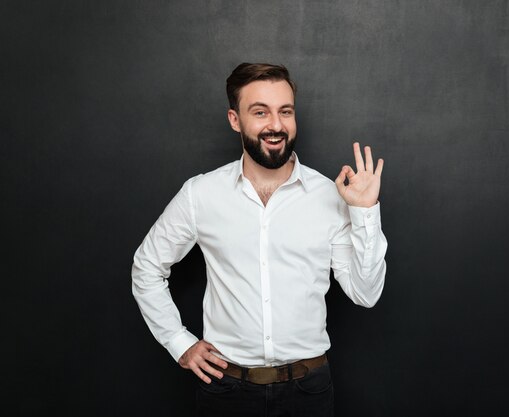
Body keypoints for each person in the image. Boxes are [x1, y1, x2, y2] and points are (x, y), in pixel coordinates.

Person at [132, 63, 387, 417]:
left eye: (285, 111)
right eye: (260, 112)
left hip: (308, 391)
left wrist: (365, 211)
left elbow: (366, 293)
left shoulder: (330, 195)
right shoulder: (201, 194)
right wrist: (180, 344)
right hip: (226, 392)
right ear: (235, 120)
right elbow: (146, 267)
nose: (276, 125)